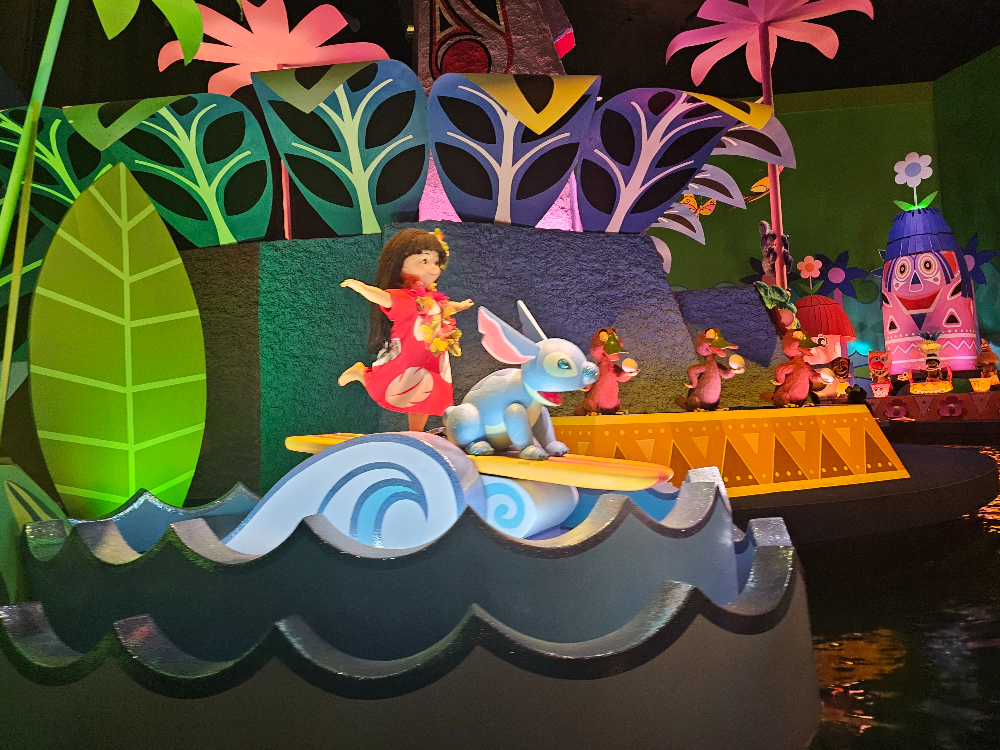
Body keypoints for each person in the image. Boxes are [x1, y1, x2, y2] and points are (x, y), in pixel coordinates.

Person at [339, 228, 473, 432]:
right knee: (387, 384)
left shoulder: (430, 298)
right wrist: (362, 288)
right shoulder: (405, 298)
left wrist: (460, 306)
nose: (433, 268)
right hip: (408, 355)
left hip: (431, 358)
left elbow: (443, 307)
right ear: (399, 263)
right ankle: (361, 373)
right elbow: (383, 297)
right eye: (424, 261)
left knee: (425, 394)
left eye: (436, 262)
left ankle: (416, 432)